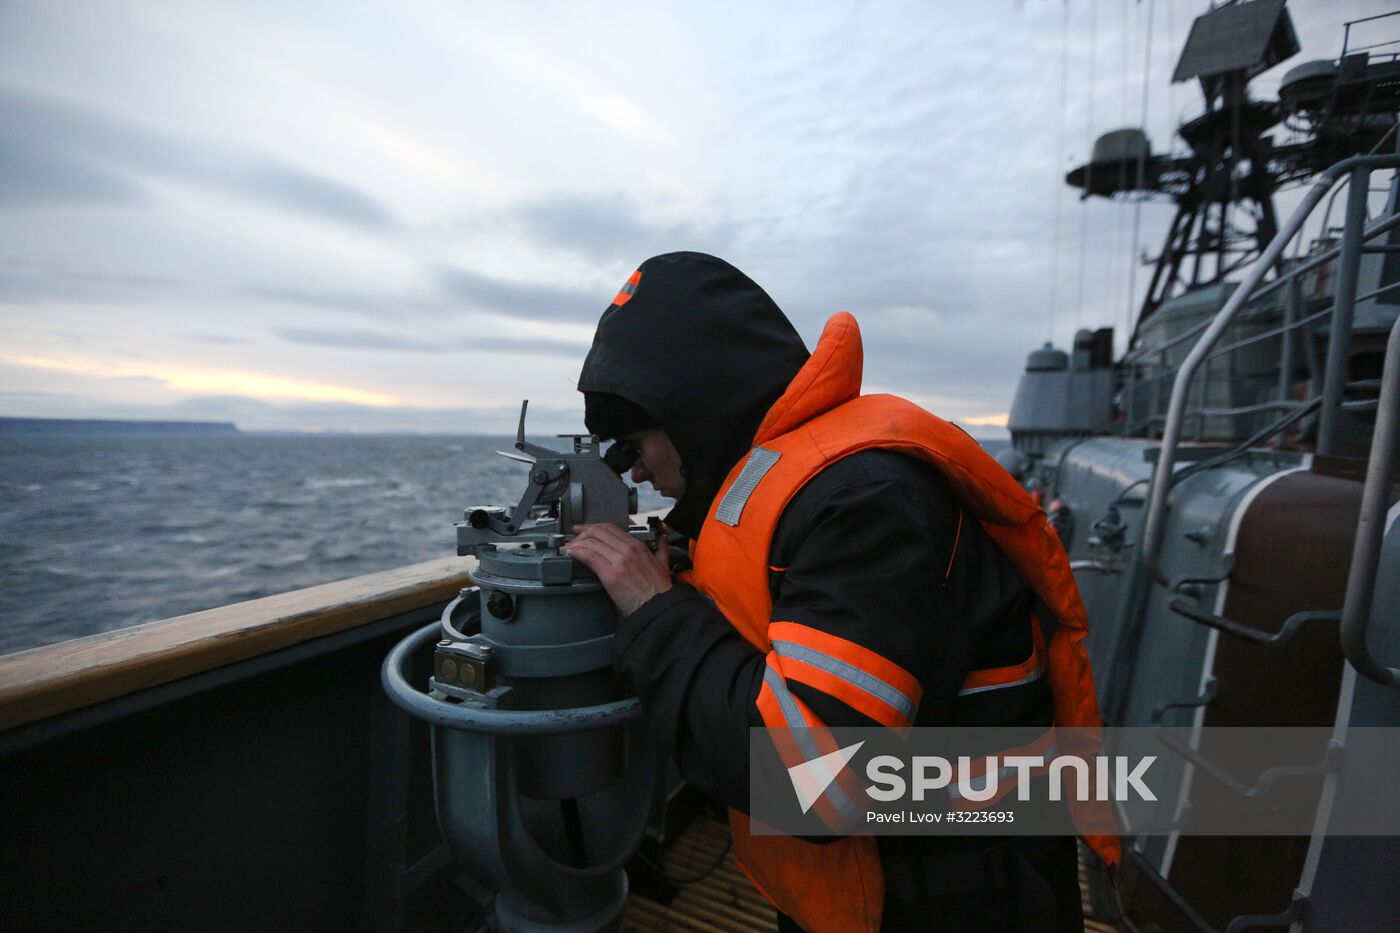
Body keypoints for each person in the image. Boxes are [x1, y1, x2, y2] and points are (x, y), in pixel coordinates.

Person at [562, 252, 1116, 932]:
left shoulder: (864, 503)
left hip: (953, 901)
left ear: (694, 406)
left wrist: (657, 612)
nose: (635, 469)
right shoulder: (813, 490)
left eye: (634, 439)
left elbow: (817, 778)